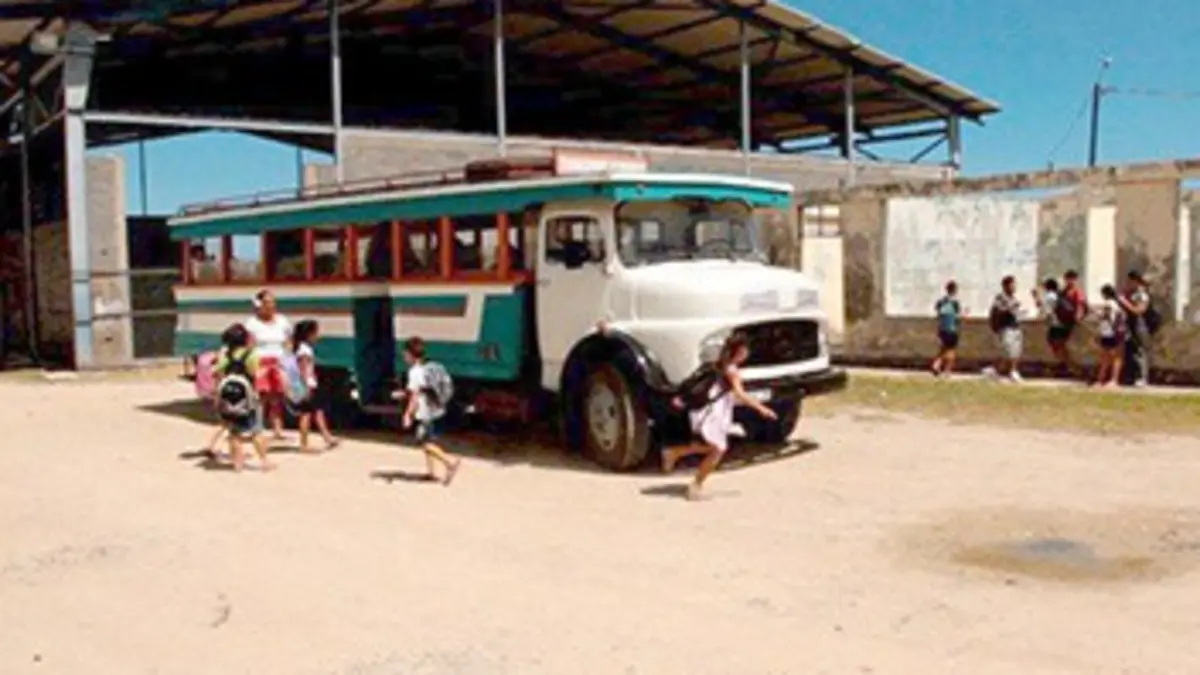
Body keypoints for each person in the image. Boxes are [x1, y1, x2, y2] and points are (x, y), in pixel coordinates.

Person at [661, 333, 778, 501]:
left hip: (707, 411)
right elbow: (740, 394)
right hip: (712, 414)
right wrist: (761, 408)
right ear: (739, 351)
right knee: (718, 449)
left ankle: (673, 453)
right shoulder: (731, 370)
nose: (747, 353)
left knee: (711, 447)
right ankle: (696, 485)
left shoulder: (719, 365)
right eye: (745, 350)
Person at [214, 323, 275, 472]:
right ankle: (265, 462)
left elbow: (218, 374)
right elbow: (254, 373)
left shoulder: (225, 355)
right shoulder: (251, 355)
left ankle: (237, 463)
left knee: (234, 433)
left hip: (230, 398)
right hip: (249, 397)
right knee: (256, 431)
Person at [401, 336, 461, 486]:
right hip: (436, 408)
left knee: (423, 442)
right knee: (429, 440)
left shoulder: (414, 372)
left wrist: (408, 414)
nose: (404, 357)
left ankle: (450, 463)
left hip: (425, 411)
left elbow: (415, 396)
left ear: (410, 354)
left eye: (405, 354)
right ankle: (431, 472)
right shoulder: (431, 365)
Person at [245, 289, 293, 439]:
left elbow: (288, 340)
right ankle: (256, 427)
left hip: (278, 362)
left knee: (277, 397)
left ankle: (277, 430)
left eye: (273, 302)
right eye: (267, 302)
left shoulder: (282, 321)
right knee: (260, 397)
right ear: (259, 305)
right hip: (261, 362)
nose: (271, 305)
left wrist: (288, 358)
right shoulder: (252, 323)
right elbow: (249, 345)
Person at [291, 319, 339, 454]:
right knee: (306, 414)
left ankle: (327, 437)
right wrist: (307, 385)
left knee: (318, 411)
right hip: (308, 384)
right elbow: (304, 369)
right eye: (316, 333)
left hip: (310, 383)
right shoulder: (304, 350)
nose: (318, 336)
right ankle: (304, 444)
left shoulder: (302, 348)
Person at [1031, 277, 1080, 377]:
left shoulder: (1049, 296)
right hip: (1064, 324)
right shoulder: (1058, 295)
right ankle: (1069, 365)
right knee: (1060, 347)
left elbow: (1044, 310)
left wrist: (1036, 296)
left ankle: (1072, 367)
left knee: (1058, 347)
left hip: (1057, 325)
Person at [983, 275, 1024, 382]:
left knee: (1015, 351)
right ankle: (996, 370)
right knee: (1007, 352)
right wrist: (1011, 307)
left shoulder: (1013, 298)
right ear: (1005, 286)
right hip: (1006, 327)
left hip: (1015, 326)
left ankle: (1012, 371)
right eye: (1012, 285)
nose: (1014, 287)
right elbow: (999, 310)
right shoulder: (1000, 298)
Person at [1117, 270, 1152, 387]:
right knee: (1129, 350)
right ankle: (1130, 376)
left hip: (1139, 324)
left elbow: (1139, 311)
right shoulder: (1129, 293)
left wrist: (1124, 302)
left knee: (1139, 351)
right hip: (1128, 324)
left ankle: (1142, 377)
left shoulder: (1142, 295)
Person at [1093, 284, 1125, 388]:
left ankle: (1108, 379)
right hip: (1112, 332)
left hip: (1110, 332)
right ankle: (1108, 379)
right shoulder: (1117, 304)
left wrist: (1096, 313)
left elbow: (1105, 316)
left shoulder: (1109, 304)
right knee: (1111, 356)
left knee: (1110, 357)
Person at [930, 280, 963, 378]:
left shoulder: (941, 301)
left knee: (943, 348)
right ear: (955, 290)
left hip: (942, 328)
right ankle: (947, 370)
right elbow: (958, 316)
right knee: (951, 350)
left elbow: (937, 312)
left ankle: (937, 364)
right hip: (952, 329)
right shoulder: (955, 302)